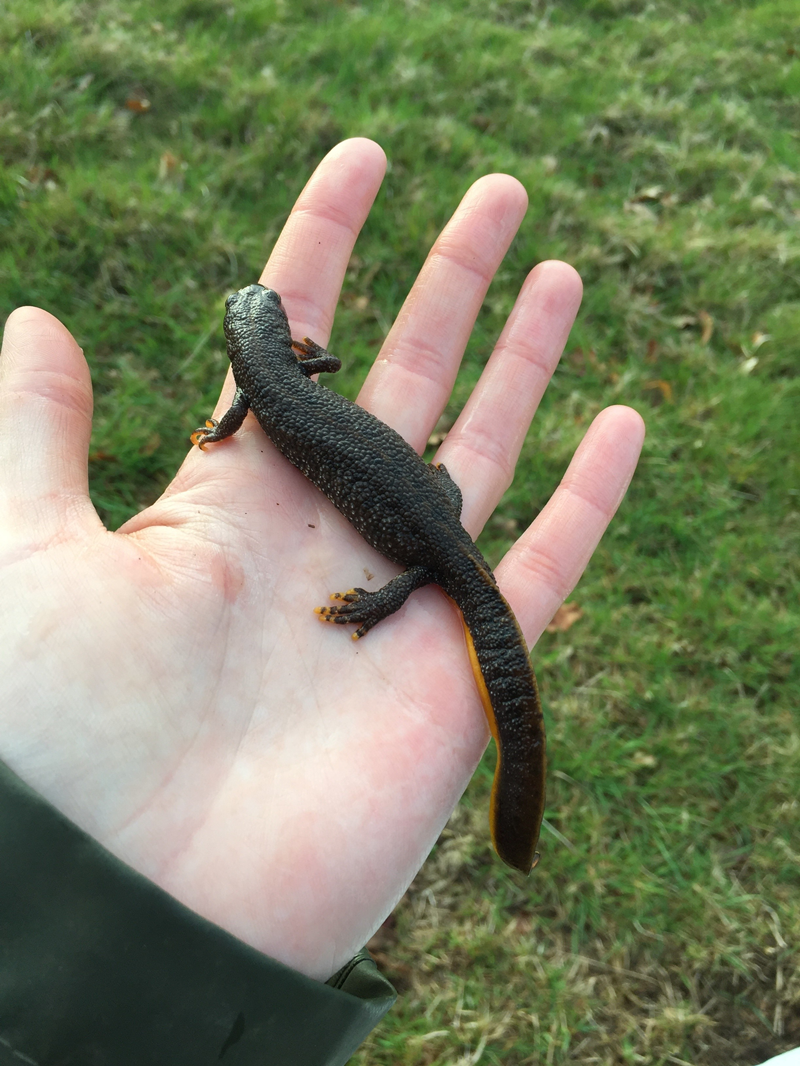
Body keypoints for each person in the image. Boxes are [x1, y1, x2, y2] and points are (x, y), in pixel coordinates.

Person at [0, 139, 646, 1063]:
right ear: (268, 348)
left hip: (419, 534)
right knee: (437, 547)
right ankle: (415, 580)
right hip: (433, 511)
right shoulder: (289, 378)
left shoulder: (260, 394)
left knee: (431, 560)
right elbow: (323, 361)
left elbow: (239, 419)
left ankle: (398, 592)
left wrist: (387, 590)